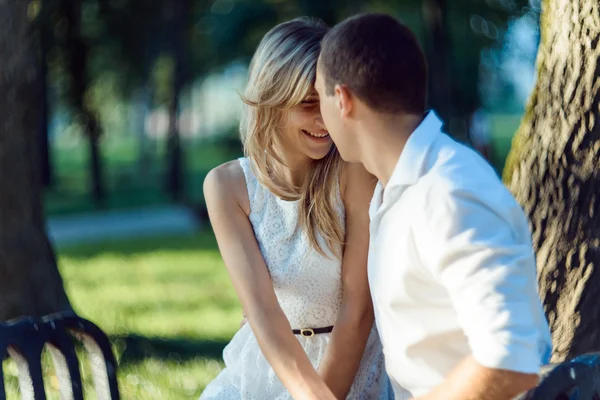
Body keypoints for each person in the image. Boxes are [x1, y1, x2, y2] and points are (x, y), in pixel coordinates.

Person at [315, 13, 553, 400]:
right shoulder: (392, 191)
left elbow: (509, 360)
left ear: (342, 100)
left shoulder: (448, 190)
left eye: (318, 95)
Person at [200, 17, 391, 400]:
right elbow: (263, 314)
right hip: (267, 364)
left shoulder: (354, 171)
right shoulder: (226, 187)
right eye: (308, 105)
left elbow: (358, 311)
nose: (325, 121)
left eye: (331, 102)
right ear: (272, 101)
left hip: (347, 369)